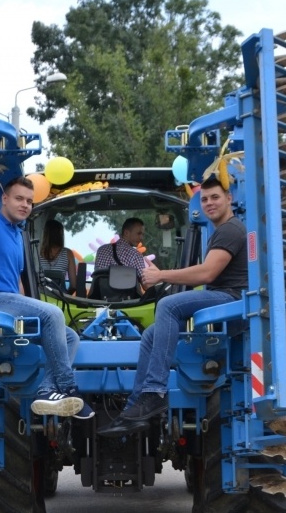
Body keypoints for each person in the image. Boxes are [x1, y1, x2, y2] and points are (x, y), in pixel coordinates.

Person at [98, 178, 247, 436]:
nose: (209, 203)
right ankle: (135, 409)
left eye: (215, 197)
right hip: (221, 297)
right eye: (204, 199)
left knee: (168, 305)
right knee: (151, 335)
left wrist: (161, 275)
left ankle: (155, 391)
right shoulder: (220, 231)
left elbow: (208, 273)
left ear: (229, 199)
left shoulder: (230, 230)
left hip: (230, 299)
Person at [0, 176, 93, 419]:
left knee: (70, 336)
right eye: (19, 199)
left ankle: (47, 390)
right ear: (5, 199)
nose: (25, 205)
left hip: (8, 306)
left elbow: (18, 283)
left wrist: (28, 307)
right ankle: (70, 388)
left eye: (29, 201)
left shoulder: (18, 235)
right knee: (53, 313)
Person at [38, 219, 77, 293]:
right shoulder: (68, 253)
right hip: (60, 298)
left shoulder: (37, 252)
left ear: (46, 234)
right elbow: (73, 286)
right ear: (60, 235)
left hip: (40, 296)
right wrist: (64, 296)